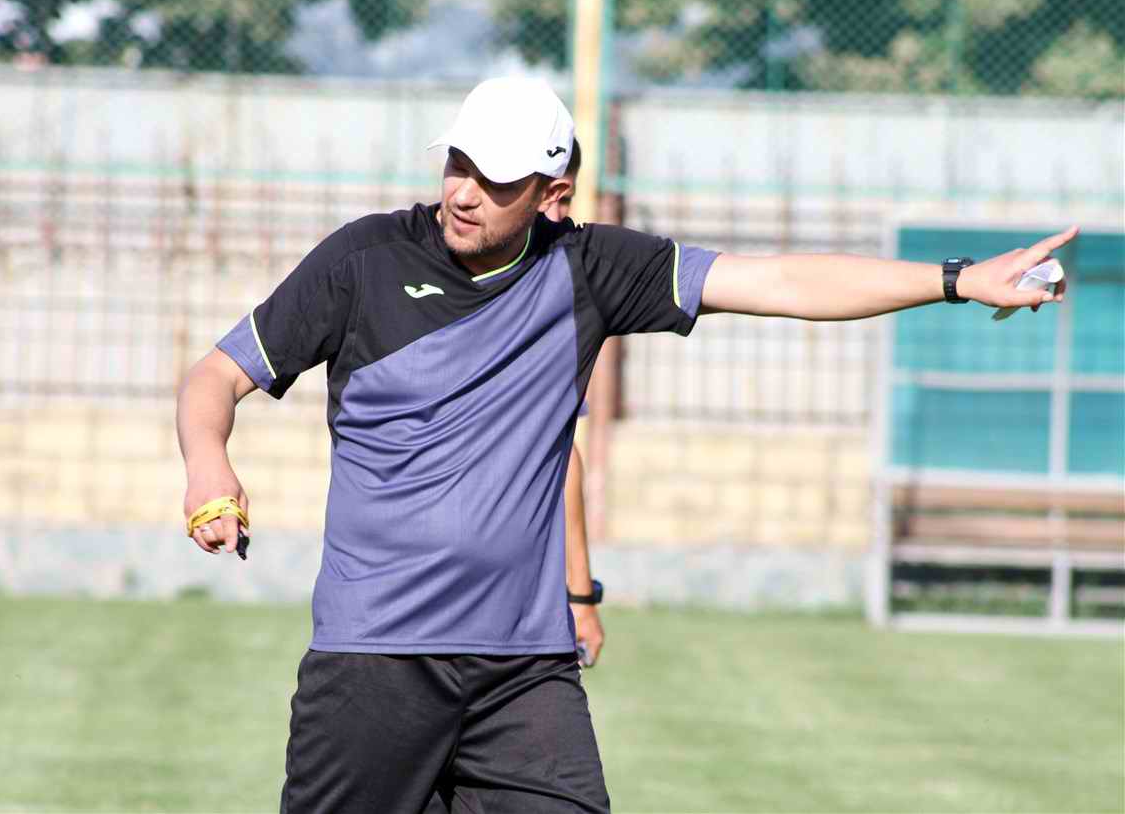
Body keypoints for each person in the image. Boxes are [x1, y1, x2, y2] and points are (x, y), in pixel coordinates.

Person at [175, 77, 1073, 813]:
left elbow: (781, 280)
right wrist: (210, 466)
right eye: (457, 163)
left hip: (523, 669)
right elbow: (213, 376)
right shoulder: (362, 261)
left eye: (493, 178)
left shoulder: (591, 269)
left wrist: (957, 280)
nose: (461, 191)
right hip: (374, 658)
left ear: (553, 195)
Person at [550, 139, 605, 669]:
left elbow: (563, 458)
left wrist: (580, 594)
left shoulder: (559, 297)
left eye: (564, 199)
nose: (556, 215)